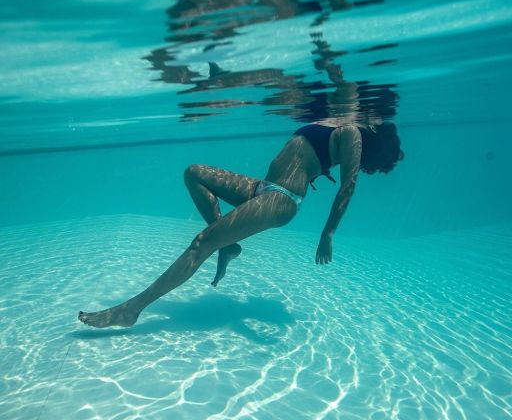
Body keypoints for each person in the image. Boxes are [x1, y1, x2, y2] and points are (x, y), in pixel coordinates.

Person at [78, 121, 403, 328]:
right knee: (194, 173)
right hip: (262, 187)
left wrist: (328, 233)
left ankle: (130, 310)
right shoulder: (342, 120)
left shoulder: (352, 134)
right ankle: (228, 244)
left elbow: (349, 185)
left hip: (282, 199)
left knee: (202, 242)